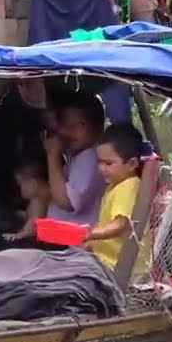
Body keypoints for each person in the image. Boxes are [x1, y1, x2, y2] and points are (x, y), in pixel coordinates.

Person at [81, 123, 146, 273]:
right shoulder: (116, 186)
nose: (101, 168)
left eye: (108, 163)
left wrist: (88, 233)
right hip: (109, 261)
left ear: (131, 164)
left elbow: (119, 225)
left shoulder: (128, 186)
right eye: (99, 162)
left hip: (120, 267)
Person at [43, 100, 108, 227]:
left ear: (98, 129)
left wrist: (52, 155)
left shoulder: (89, 157)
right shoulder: (76, 157)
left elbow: (65, 201)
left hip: (73, 244)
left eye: (80, 125)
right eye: (65, 124)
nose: (70, 131)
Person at [3, 163, 50, 242]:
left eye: (21, 185)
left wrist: (18, 236)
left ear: (33, 183)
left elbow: (33, 225)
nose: (20, 190)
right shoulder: (48, 197)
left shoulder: (37, 202)